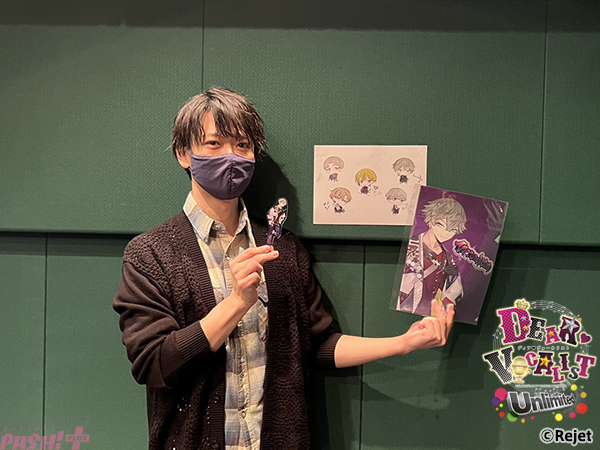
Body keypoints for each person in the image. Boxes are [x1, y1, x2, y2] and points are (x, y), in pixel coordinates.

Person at [113, 87, 454, 450]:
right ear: (185, 153)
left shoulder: (284, 249)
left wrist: (404, 343)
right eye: (214, 144)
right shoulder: (151, 253)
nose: (231, 157)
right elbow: (154, 365)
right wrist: (236, 302)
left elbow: (316, 343)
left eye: (242, 145)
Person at [398, 197, 466, 317]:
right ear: (430, 222)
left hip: (432, 314)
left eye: (452, 230)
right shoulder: (412, 246)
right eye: (440, 224)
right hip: (405, 308)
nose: (445, 232)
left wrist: (452, 277)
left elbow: (453, 293)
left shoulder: (447, 257)